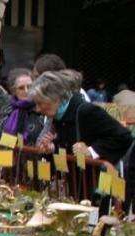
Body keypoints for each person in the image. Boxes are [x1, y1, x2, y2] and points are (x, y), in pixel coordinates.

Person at [32, 69, 134, 204]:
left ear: (55, 98)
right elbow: (70, 147)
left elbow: (123, 136)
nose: (38, 109)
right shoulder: (59, 116)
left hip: (98, 188)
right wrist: (52, 148)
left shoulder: (86, 111)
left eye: (40, 103)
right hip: (77, 188)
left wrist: (91, 151)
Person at [0, 68, 44, 145]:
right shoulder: (4, 113)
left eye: (29, 87)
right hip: (5, 156)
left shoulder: (42, 111)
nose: (26, 91)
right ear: (14, 91)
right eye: (21, 88)